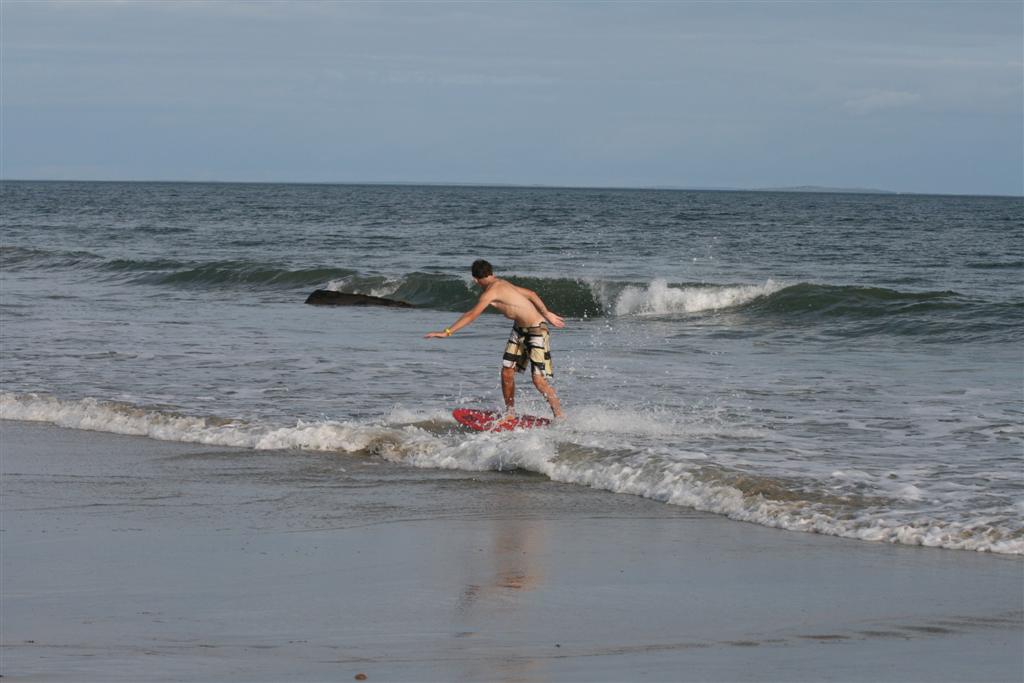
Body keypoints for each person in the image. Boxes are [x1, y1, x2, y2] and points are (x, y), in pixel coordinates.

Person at [425, 260, 565, 419]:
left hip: (537, 330)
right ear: (491, 273)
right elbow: (531, 294)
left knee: (538, 381)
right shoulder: (503, 283)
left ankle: (560, 416)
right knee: (507, 372)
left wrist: (447, 332)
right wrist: (546, 312)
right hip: (519, 329)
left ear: (475, 280)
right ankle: (510, 413)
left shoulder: (490, 293)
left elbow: (471, 315)